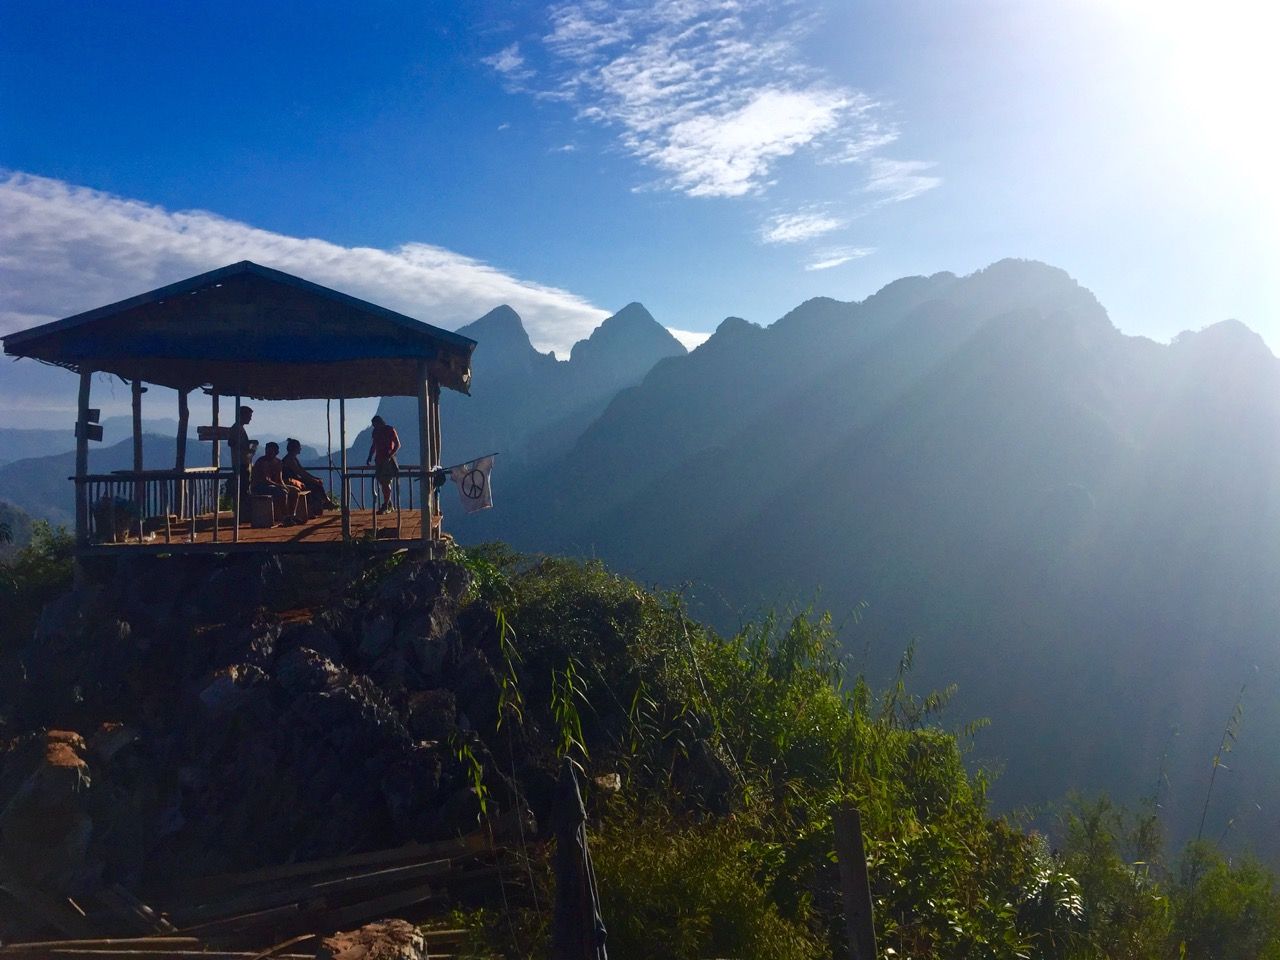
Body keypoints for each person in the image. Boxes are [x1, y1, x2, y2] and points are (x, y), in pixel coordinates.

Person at [250, 441, 302, 523]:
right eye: (267, 451)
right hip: (259, 487)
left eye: (271, 451)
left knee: (295, 491)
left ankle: (292, 515)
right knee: (282, 492)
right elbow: (265, 480)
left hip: (273, 486)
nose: (269, 453)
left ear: (276, 452)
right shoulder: (262, 462)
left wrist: (283, 485)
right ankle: (285, 517)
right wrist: (280, 486)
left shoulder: (278, 462)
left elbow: (279, 479)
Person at [282, 438, 327, 517]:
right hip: (291, 482)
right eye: (299, 447)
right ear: (295, 448)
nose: (301, 448)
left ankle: (323, 503)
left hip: (296, 480)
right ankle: (319, 506)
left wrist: (315, 478)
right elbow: (300, 473)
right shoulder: (289, 460)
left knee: (316, 484)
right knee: (315, 486)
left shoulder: (293, 458)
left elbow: (302, 471)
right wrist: (314, 480)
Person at [366, 415, 401, 514]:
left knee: (386, 482)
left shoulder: (390, 430)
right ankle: (388, 503)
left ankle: (386, 505)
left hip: (387, 461)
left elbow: (398, 444)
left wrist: (390, 455)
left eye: (375, 425)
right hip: (379, 460)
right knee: (382, 482)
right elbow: (374, 445)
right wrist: (370, 456)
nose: (374, 427)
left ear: (379, 423)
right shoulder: (376, 432)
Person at [227, 405, 258, 506]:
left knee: (244, 488)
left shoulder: (239, 428)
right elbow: (232, 443)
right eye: (249, 416)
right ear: (242, 415)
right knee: (243, 489)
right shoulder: (236, 428)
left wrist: (249, 442)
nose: (250, 418)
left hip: (244, 462)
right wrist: (249, 448)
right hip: (241, 463)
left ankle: (242, 513)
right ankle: (242, 514)